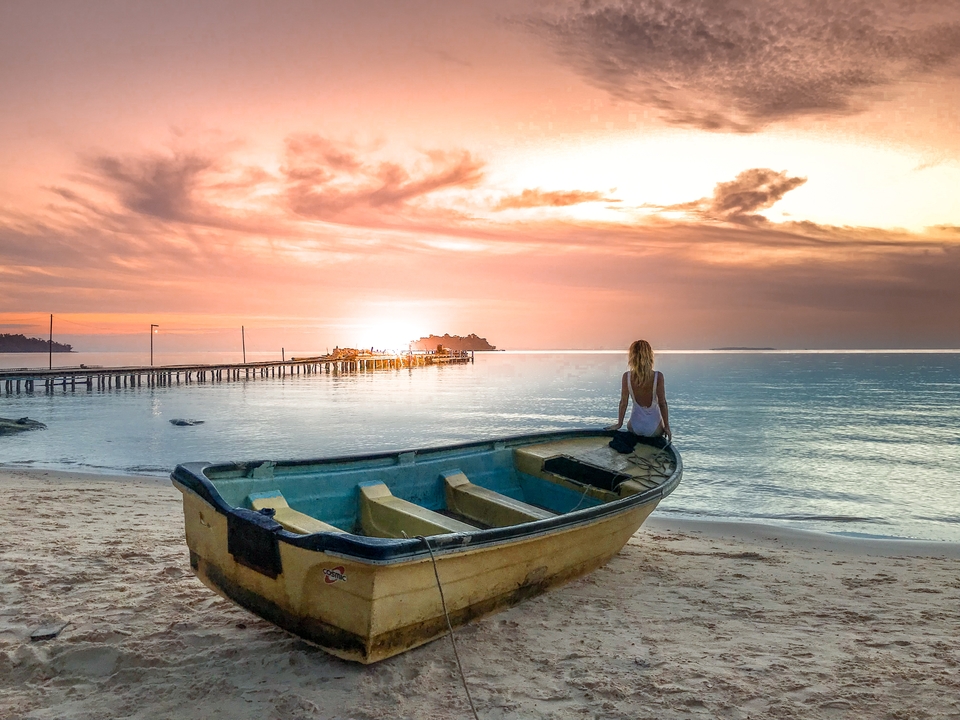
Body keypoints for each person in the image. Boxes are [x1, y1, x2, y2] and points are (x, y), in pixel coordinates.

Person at [606, 339, 672, 451]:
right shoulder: (657, 376)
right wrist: (667, 427)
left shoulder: (626, 377)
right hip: (654, 429)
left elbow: (623, 403)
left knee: (630, 426)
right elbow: (662, 403)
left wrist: (619, 423)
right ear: (649, 355)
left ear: (632, 356)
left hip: (635, 427)